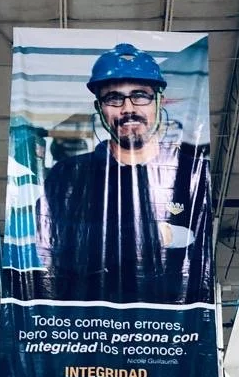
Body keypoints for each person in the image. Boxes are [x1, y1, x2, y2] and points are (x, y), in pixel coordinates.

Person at [31, 43, 214, 306]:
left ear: (158, 100)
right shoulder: (69, 176)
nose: (128, 108)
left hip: (168, 330)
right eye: (114, 98)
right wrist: (156, 235)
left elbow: (202, 249)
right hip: (92, 327)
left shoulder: (190, 174)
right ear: (99, 107)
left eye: (140, 95)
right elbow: (54, 249)